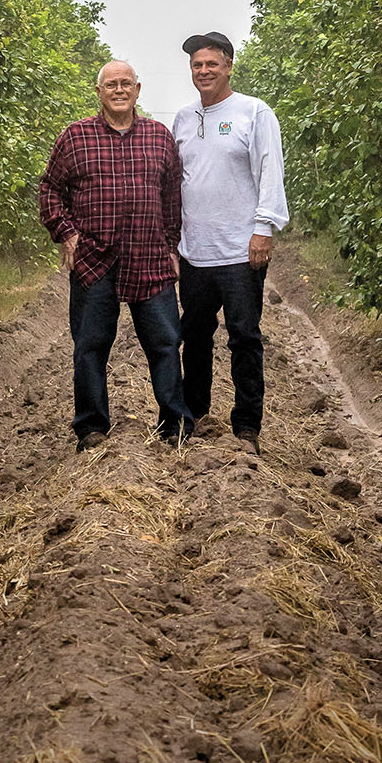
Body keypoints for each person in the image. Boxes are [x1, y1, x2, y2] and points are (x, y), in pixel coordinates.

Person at [39, 59, 192, 451]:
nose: (119, 90)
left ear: (138, 90)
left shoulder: (159, 137)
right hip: (93, 259)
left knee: (164, 342)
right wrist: (66, 233)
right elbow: (50, 191)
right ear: (99, 92)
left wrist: (172, 243)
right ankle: (91, 428)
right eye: (111, 84)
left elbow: (173, 195)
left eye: (126, 83)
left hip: (149, 256)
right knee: (90, 345)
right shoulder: (75, 137)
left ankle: (174, 423)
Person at [171, 31, 288, 451]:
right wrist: (172, 241)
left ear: (228, 66)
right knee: (195, 337)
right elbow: (176, 182)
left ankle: (246, 427)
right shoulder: (184, 119)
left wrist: (264, 228)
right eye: (197, 65)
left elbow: (270, 172)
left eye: (212, 64)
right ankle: (195, 415)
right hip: (195, 252)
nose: (204, 71)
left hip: (241, 249)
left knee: (244, 336)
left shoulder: (254, 113)